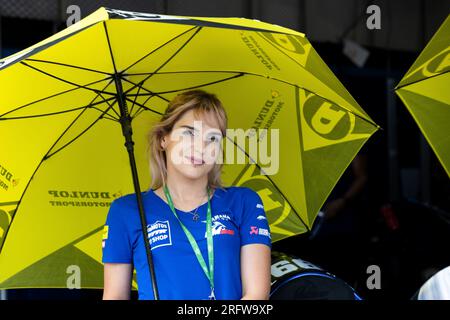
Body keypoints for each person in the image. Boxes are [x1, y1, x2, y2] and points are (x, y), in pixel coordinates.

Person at [102, 90, 272, 300]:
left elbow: (257, 295)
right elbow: (115, 297)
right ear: (164, 138)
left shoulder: (244, 202)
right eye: (189, 133)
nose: (201, 146)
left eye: (212, 138)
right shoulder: (127, 211)